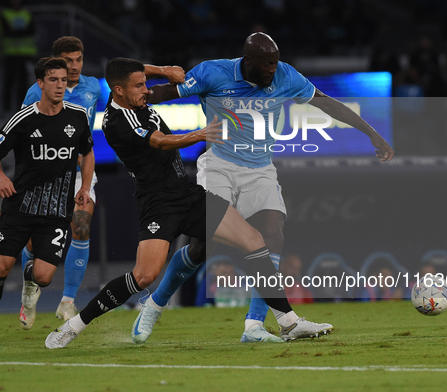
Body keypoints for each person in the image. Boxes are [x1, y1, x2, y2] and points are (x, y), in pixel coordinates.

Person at [44, 57, 333, 349]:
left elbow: (136, 70)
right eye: (139, 87)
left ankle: (288, 322)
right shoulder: (118, 122)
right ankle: (74, 325)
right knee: (144, 275)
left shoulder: (132, 96)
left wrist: (164, 71)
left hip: (187, 193)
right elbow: (159, 141)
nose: (146, 90)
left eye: (145, 84)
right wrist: (199, 135)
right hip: (158, 203)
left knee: (254, 239)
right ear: (118, 91)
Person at [146, 32, 394, 342]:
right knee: (201, 246)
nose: (272, 71)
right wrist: (135, 99)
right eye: (266, 65)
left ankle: (255, 326)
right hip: (219, 165)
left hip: (259, 168)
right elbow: (165, 93)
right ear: (247, 61)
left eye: (274, 64)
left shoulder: (285, 75)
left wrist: (371, 133)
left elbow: (326, 104)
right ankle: (155, 304)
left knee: (272, 230)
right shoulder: (213, 72)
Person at [19, 36, 186, 327]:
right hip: (44, 172)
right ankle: (29, 288)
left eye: (79, 59)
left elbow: (128, 75)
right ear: (56, 61)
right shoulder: (36, 92)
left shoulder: (93, 86)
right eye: (68, 61)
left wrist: (164, 69)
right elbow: (22, 132)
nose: (74, 66)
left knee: (81, 227)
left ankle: (68, 302)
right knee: (34, 242)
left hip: (81, 168)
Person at [0, 57, 94, 340]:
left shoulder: (77, 116)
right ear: (40, 83)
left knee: (44, 277)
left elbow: (87, 153)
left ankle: (30, 274)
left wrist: (85, 187)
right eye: (54, 80)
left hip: (57, 212)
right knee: (0, 266)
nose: (60, 85)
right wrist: (1, 177)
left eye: (64, 80)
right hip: (20, 206)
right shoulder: (24, 118)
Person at [0, 0, 37, 112]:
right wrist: (21, 31)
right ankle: (6, 109)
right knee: (9, 81)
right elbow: (6, 32)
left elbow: (31, 31)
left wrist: (15, 31)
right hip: (10, 53)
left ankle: (21, 108)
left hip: (25, 53)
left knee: (23, 82)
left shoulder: (27, 13)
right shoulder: (5, 14)